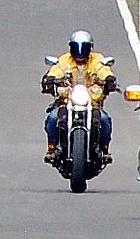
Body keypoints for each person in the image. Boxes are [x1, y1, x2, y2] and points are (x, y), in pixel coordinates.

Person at [42, 29, 117, 160]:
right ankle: (52, 148)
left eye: (84, 47)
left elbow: (103, 69)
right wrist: (49, 79)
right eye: (76, 47)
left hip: (91, 103)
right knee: (53, 118)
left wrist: (109, 79)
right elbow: (56, 69)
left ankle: (104, 149)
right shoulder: (65, 60)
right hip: (67, 101)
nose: (80, 51)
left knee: (105, 120)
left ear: (90, 48)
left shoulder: (97, 59)